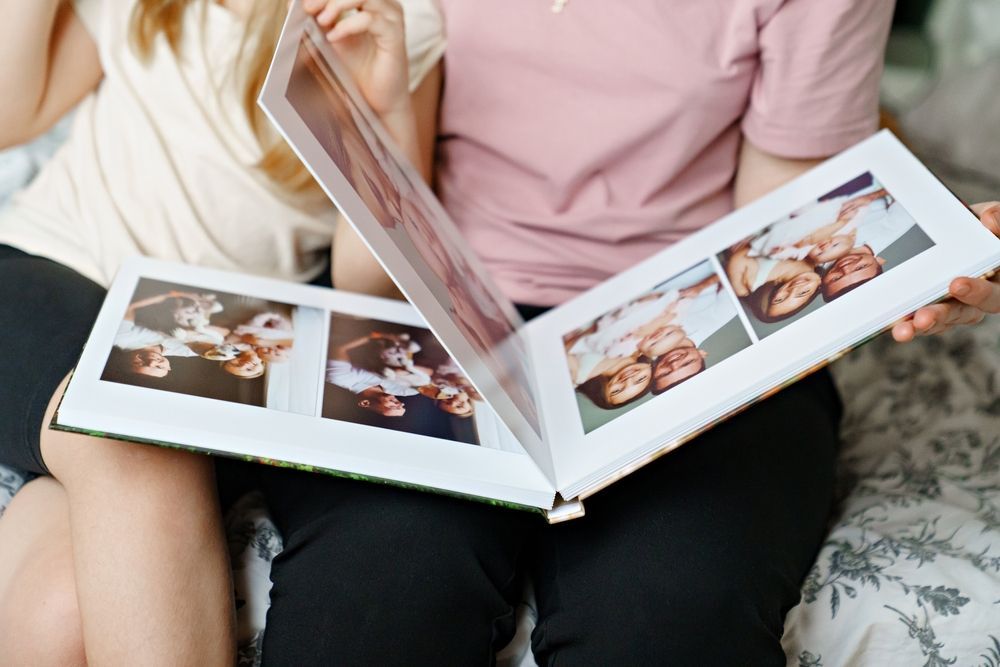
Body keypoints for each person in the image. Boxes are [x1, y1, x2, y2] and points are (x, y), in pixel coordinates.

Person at [283, 2, 1000, 666]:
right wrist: (370, 122)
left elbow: (778, 236)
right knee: (371, 596)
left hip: (694, 327)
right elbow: (374, 256)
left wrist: (918, 259)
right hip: (441, 305)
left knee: (671, 619)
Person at [0, 0, 444, 663]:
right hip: (47, 268)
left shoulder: (389, 22)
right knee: (130, 428)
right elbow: (11, 115)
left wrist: (381, 117)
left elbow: (367, 286)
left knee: (58, 610)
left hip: (209, 352)